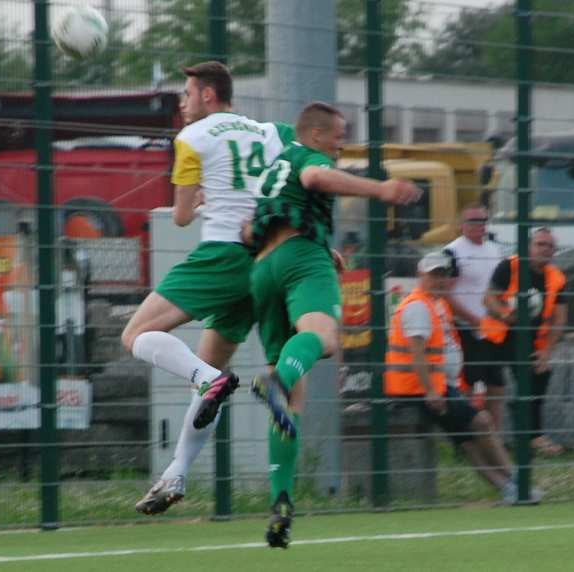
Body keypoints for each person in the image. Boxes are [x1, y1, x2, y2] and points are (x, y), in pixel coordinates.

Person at [235, 102, 422, 548]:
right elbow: (317, 179)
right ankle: (275, 380)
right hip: (301, 260)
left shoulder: (273, 169)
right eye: (338, 136)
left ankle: (281, 500)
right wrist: (382, 190)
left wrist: (316, 242)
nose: (341, 146)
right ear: (316, 135)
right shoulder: (309, 159)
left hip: (263, 271)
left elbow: (248, 230)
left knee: (291, 401)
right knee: (322, 340)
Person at [120, 61, 295, 515]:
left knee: (135, 335)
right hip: (264, 260)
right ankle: (175, 474)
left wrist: (198, 199)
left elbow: (179, 217)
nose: (182, 102)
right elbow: (292, 177)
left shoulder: (191, 139)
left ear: (209, 96)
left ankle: (208, 379)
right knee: (208, 370)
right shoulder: (270, 133)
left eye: (187, 93)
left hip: (222, 256)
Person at [385, 251, 538, 505]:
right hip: (421, 390)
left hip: (437, 386)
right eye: (433, 275)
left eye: (443, 274)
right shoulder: (417, 306)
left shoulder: (436, 303)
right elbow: (417, 355)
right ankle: (517, 481)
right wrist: (431, 392)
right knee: (482, 421)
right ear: (421, 275)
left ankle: (508, 489)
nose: (439, 280)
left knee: (467, 441)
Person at [481, 227, 567, 456]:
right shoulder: (509, 266)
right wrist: (504, 313)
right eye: (540, 244)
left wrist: (547, 350)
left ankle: (532, 436)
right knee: (487, 386)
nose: (545, 249)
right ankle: (481, 441)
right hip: (499, 335)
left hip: (530, 340)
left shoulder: (556, 278)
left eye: (549, 246)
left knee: (539, 374)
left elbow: (560, 319)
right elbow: (488, 297)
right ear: (529, 246)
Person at [443, 205, 504, 429]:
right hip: (463, 328)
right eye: (473, 221)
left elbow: (499, 288)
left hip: (492, 329)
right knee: (466, 384)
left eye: (482, 220)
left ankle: (492, 436)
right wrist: (473, 320)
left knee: (496, 386)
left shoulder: (494, 250)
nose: (479, 225)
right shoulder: (453, 252)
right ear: (461, 225)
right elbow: (445, 293)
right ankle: (465, 435)